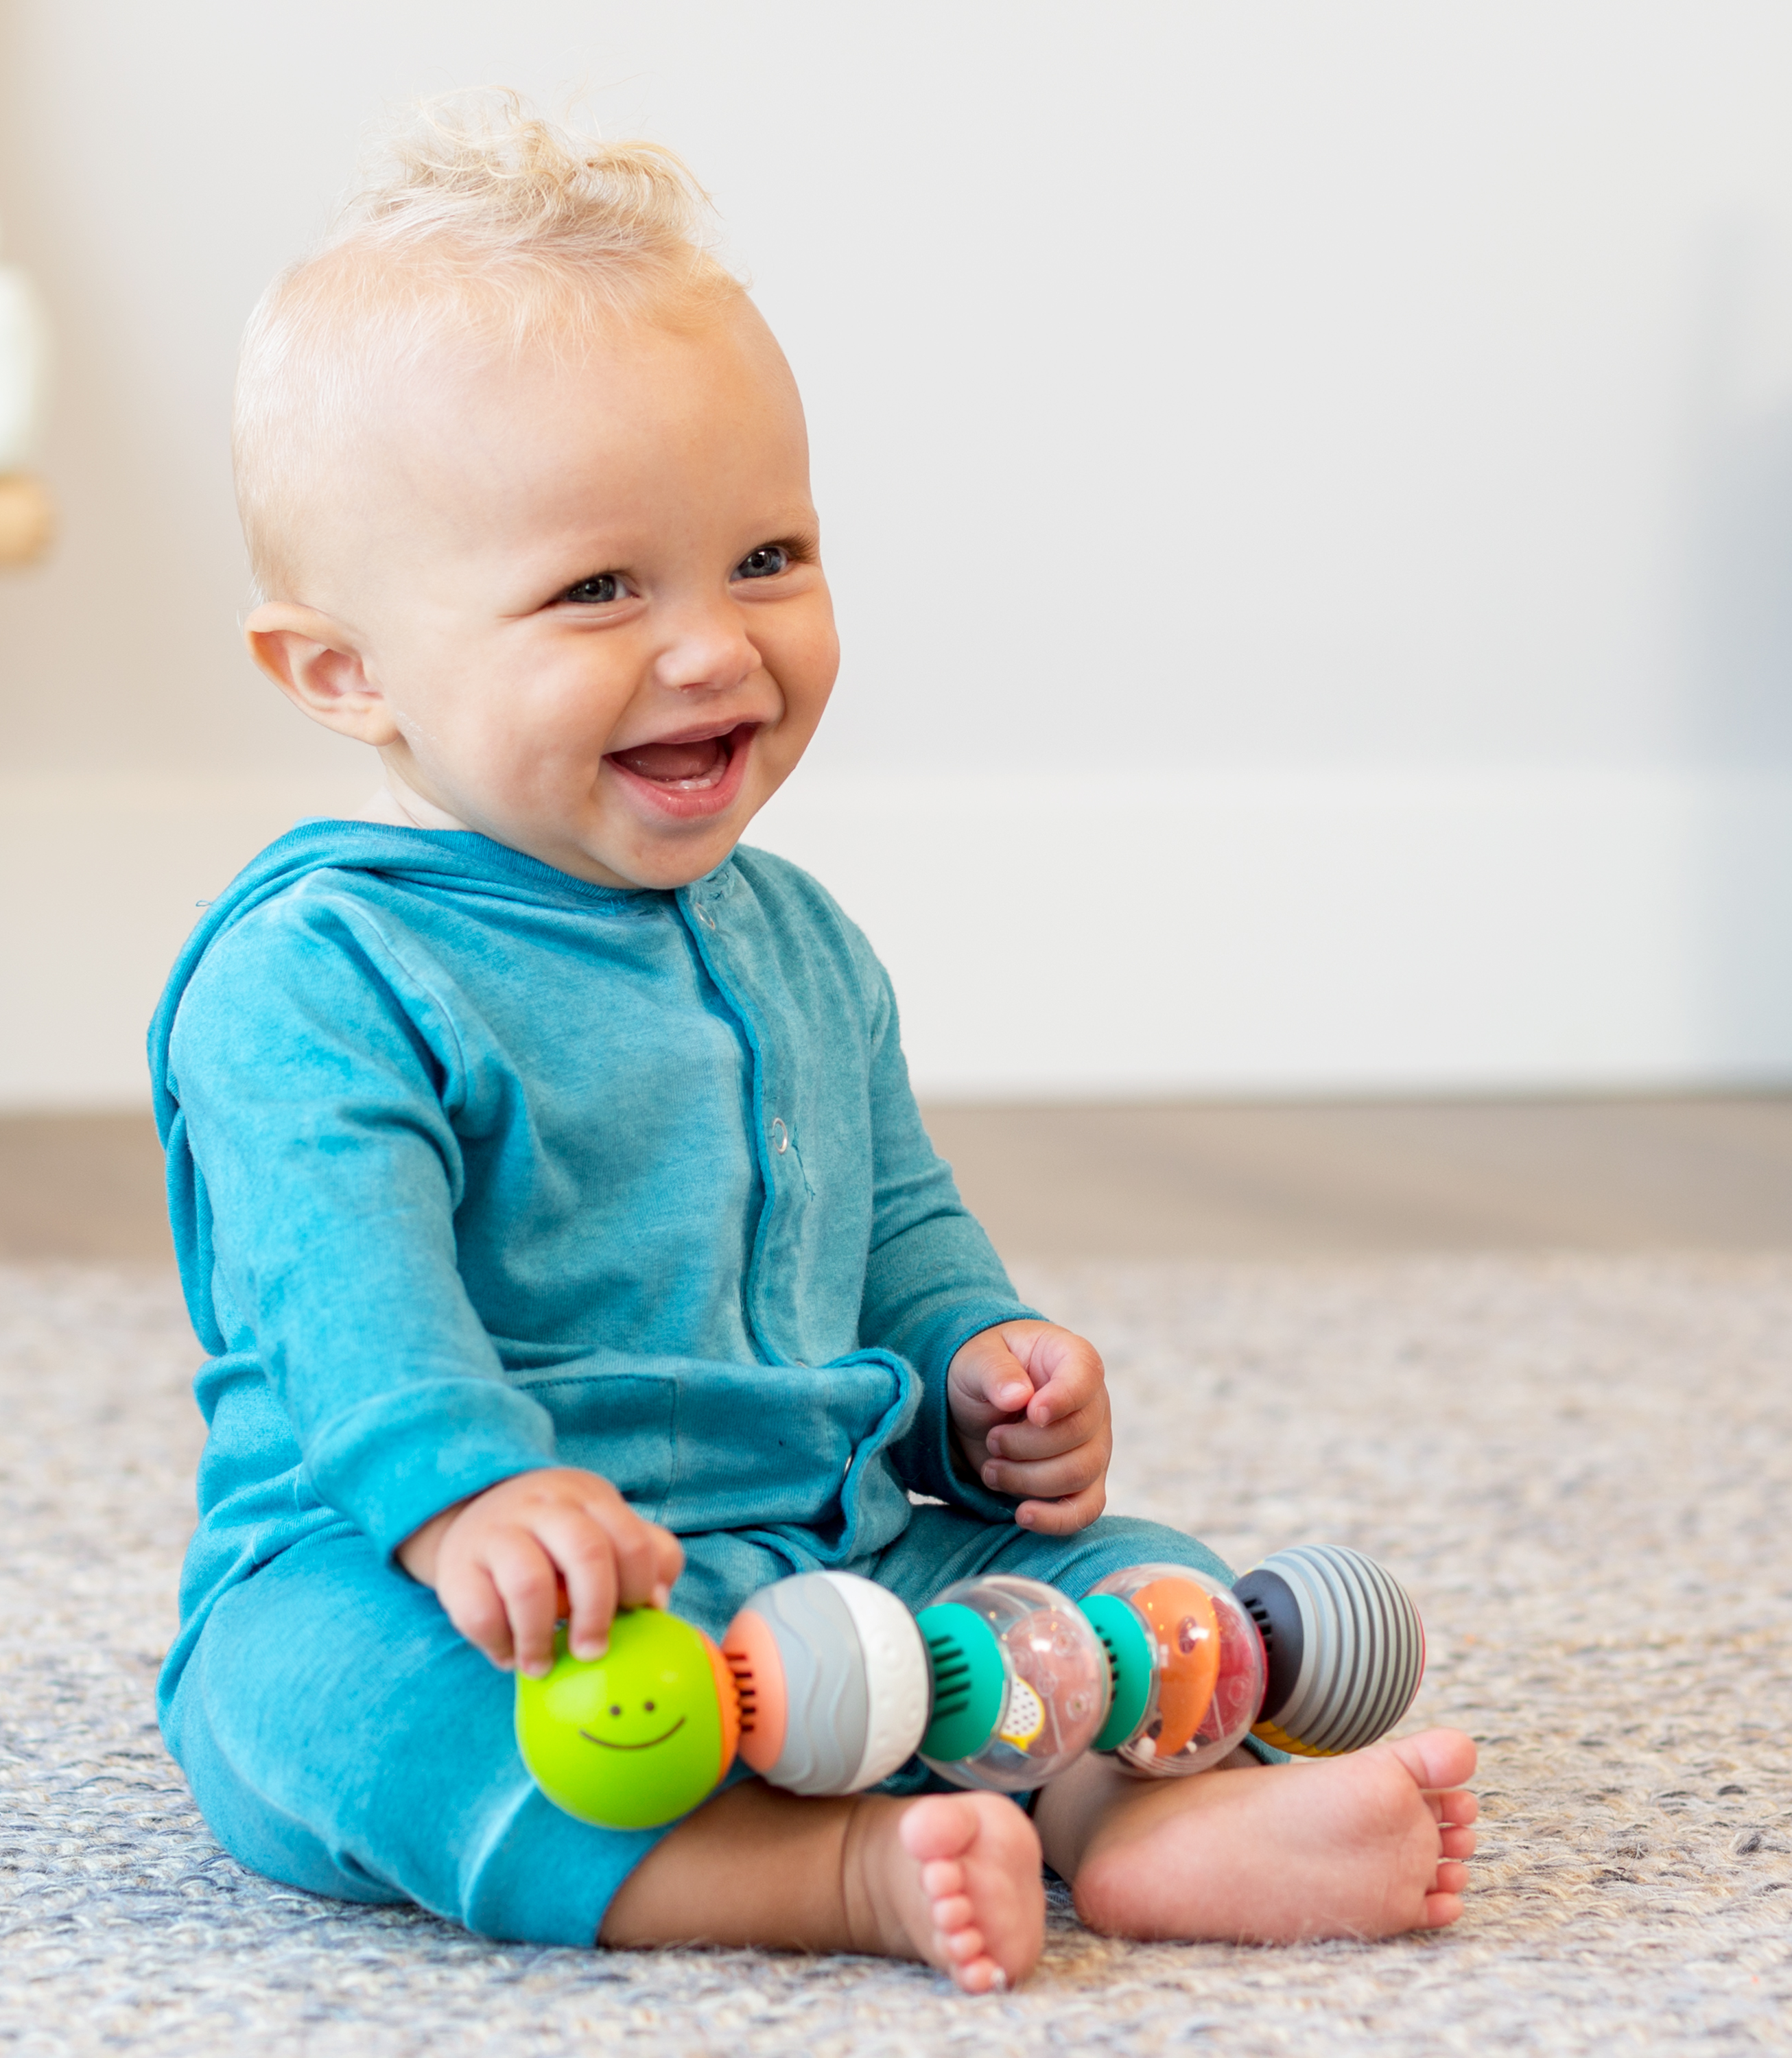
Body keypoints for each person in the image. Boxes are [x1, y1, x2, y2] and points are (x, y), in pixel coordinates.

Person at [148, 99, 1478, 1993]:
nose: (713, 648)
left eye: (765, 556)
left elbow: (891, 1225)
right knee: (338, 1709)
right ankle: (821, 1874)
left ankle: (1136, 1824)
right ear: (343, 670)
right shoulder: (316, 972)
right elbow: (341, 1297)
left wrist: (978, 1371)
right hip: (461, 1590)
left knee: (1140, 1592)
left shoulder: (799, 941)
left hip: (825, 1567)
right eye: (599, 589)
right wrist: (467, 1496)